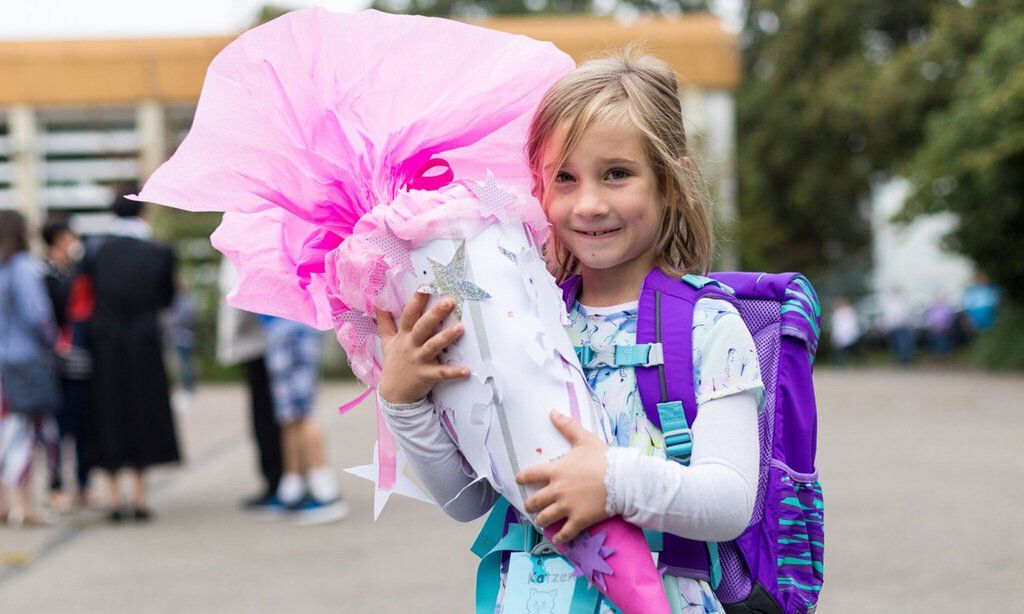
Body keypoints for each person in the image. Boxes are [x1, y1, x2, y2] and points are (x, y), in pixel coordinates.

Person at [376, 51, 763, 612]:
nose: (589, 203)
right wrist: (403, 401)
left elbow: (729, 503)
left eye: (617, 174)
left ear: (670, 181)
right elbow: (471, 499)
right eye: (565, 177)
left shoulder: (708, 326)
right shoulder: (519, 319)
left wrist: (612, 480)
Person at [84, 191, 181, 522]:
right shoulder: (159, 252)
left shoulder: (95, 252)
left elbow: (84, 298)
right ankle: (139, 497)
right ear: (144, 213)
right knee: (143, 413)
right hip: (144, 343)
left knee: (110, 414)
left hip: (106, 345)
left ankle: (113, 499)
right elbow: (166, 300)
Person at [0, 211, 61, 527]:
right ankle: (24, 505)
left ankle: (3, 503)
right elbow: (38, 315)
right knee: (27, 431)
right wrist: (54, 345)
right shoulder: (22, 267)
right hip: (24, 361)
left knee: (4, 431)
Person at [260, 315, 348, 524]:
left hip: (292, 328)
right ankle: (293, 486)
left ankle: (326, 492)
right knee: (289, 414)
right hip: (282, 329)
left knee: (303, 411)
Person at [215, 258, 283, 511]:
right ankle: (282, 479)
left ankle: (278, 481)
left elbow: (237, 293)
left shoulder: (251, 246)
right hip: (264, 342)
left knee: (268, 416)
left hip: (263, 341)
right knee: (273, 415)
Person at [40, 219, 92, 511]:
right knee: (58, 428)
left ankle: (84, 483)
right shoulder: (44, 274)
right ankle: (56, 484)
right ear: (59, 239)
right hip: (55, 362)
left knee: (84, 424)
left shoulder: (77, 270)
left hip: (81, 360)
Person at [167, 280, 198, 412]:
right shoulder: (180, 299)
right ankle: (186, 389)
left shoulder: (184, 300)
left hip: (184, 336)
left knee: (185, 365)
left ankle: (188, 390)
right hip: (177, 336)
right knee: (182, 365)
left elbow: (186, 316)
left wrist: (172, 321)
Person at [830, 296, 862, 365]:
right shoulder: (838, 313)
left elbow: (850, 324)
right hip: (842, 335)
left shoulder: (849, 312)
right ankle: (840, 363)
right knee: (844, 351)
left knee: (852, 351)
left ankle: (840, 363)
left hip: (849, 335)